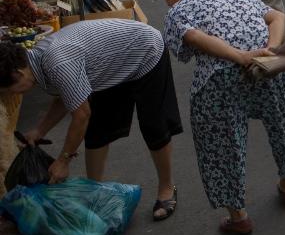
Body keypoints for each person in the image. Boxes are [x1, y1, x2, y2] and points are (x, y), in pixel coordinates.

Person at [158, 0, 285, 235]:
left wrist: (240, 57)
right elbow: (277, 16)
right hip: (269, 69)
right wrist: (269, 51)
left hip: (220, 78)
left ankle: (239, 216)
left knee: (220, 142)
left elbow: (192, 38)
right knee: (280, 123)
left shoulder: (179, 9)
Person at [0, 20, 181, 222]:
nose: (11, 95)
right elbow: (66, 95)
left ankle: (166, 188)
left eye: (8, 90)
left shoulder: (57, 61)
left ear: (18, 73)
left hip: (145, 51)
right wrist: (40, 131)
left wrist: (63, 161)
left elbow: (81, 115)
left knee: (154, 126)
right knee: (97, 133)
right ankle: (93, 195)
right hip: (109, 65)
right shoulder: (37, 60)